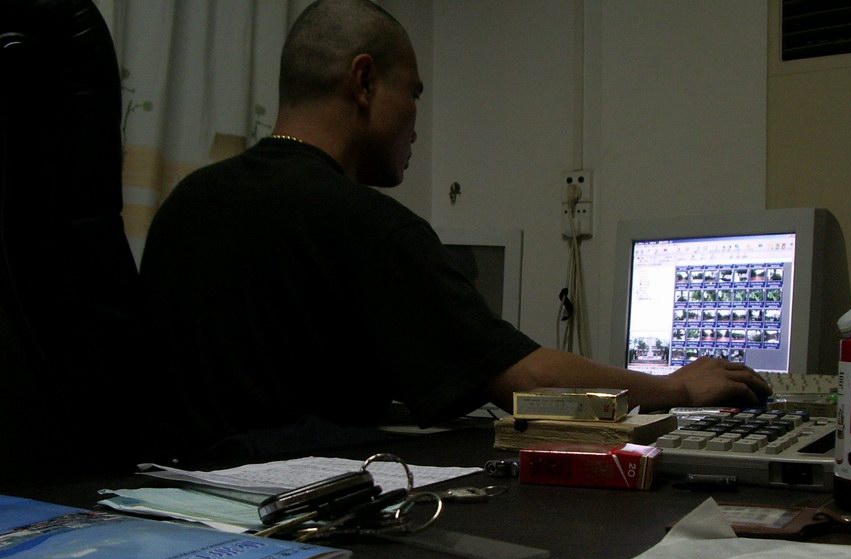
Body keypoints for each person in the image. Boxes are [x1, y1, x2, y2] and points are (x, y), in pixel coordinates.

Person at [139, 0, 770, 467]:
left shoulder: (186, 203)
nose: (416, 122)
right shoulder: (367, 224)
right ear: (363, 82)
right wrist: (679, 386)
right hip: (301, 517)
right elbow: (523, 380)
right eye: (412, 94)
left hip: (167, 508)